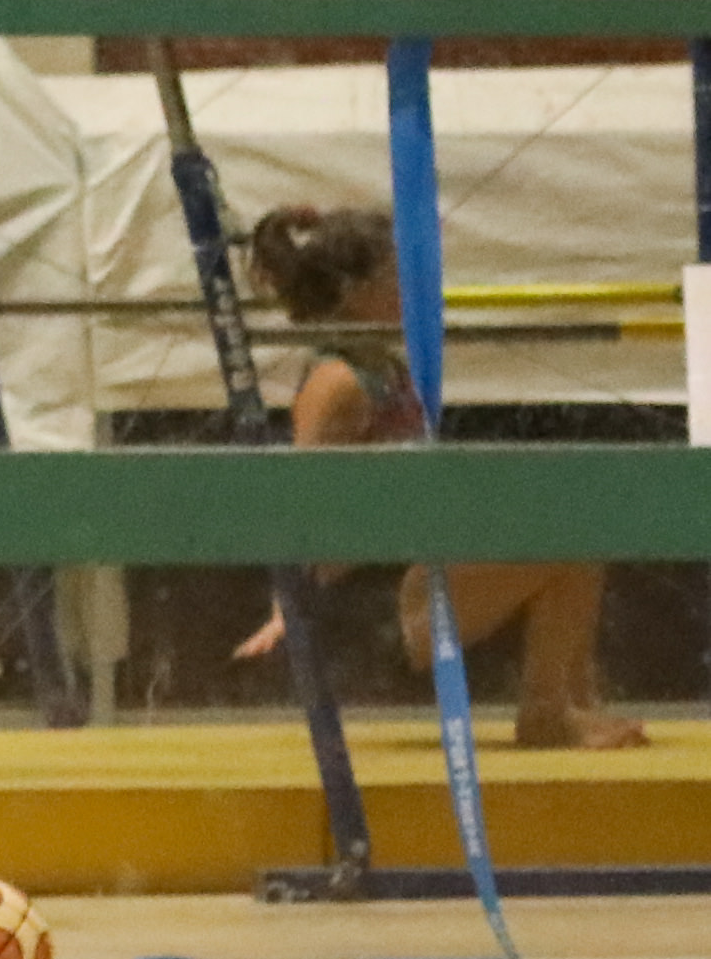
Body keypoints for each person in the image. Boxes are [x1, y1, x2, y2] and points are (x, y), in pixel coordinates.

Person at [229, 201, 641, 753]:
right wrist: (285, 611)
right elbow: (303, 506)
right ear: (352, 292)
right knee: (568, 538)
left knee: (576, 524)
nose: (414, 288)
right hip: (366, 612)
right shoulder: (338, 383)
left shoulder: (384, 368)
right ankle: (547, 715)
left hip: (405, 578)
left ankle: (574, 704)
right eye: (398, 276)